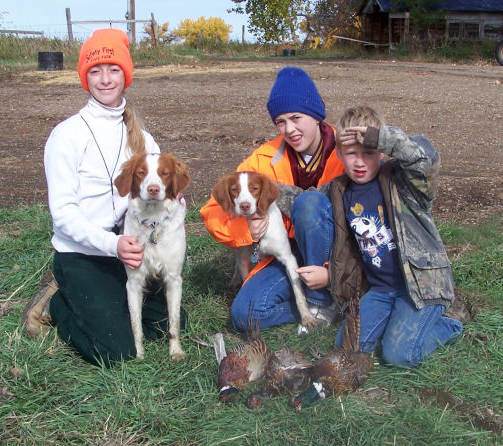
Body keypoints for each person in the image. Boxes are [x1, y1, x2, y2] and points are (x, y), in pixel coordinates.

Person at [21, 28, 186, 367]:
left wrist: (173, 212)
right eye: (95, 71)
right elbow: (63, 215)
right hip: (81, 252)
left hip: (124, 248)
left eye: (113, 69)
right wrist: (112, 246)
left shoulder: (143, 139)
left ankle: (100, 302)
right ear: (85, 78)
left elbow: (165, 195)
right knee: (116, 351)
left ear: (125, 75)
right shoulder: (66, 136)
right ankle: (55, 303)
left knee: (170, 322)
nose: (105, 79)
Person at [277, 105, 467, 367]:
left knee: (398, 355)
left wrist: (382, 138)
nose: (359, 161)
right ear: (340, 154)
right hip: (378, 290)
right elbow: (300, 200)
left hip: (420, 288)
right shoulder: (340, 189)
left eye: (368, 153)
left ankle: (449, 324)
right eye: (351, 153)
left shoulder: (405, 181)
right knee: (348, 347)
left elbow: (427, 159)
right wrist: (257, 188)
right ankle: (395, 321)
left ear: (381, 152)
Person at [200, 66, 345, 332]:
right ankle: (310, 296)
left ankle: (321, 301)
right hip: (284, 252)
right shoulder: (263, 158)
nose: (289, 129)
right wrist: (245, 228)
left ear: (316, 115)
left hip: (334, 251)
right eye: (280, 122)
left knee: (309, 203)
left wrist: (335, 272)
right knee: (245, 316)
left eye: (296, 117)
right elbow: (211, 210)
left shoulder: (346, 151)